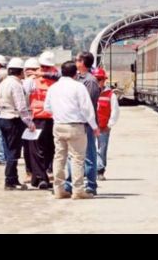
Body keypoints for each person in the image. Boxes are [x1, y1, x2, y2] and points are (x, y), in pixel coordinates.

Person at [44, 60, 100, 200]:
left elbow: (47, 108)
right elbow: (87, 109)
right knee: (77, 159)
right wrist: (94, 126)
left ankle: (59, 189)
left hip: (58, 126)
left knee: (59, 157)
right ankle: (78, 190)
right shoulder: (78, 87)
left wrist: (59, 113)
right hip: (75, 126)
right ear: (75, 73)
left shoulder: (53, 88)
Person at [0, 58, 36, 190]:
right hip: (13, 119)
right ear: (21, 71)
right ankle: (9, 181)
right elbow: (21, 106)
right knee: (14, 151)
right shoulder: (16, 85)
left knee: (9, 150)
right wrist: (29, 122)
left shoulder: (3, 83)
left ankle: (14, 178)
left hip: (3, 117)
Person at [63, 51, 100, 195]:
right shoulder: (76, 79)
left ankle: (91, 184)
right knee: (73, 155)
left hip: (86, 124)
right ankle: (69, 183)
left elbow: (89, 104)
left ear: (83, 63)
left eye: (77, 60)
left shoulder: (90, 81)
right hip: (76, 123)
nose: (75, 62)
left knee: (89, 155)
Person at [23, 54, 59, 189]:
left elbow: (24, 94)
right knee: (44, 149)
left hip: (43, 118)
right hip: (44, 118)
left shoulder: (34, 80)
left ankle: (41, 177)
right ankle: (38, 177)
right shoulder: (55, 79)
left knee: (40, 149)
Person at [93, 68, 120, 181]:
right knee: (90, 149)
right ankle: (90, 170)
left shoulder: (110, 95)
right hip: (90, 126)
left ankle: (100, 171)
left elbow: (115, 110)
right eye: (96, 79)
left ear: (104, 80)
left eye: (100, 79)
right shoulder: (88, 92)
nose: (98, 82)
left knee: (102, 149)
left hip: (103, 127)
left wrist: (110, 125)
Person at [21, 58, 40, 184]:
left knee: (28, 147)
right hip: (38, 116)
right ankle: (42, 171)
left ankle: (30, 173)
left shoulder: (25, 83)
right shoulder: (41, 81)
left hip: (27, 116)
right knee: (39, 147)